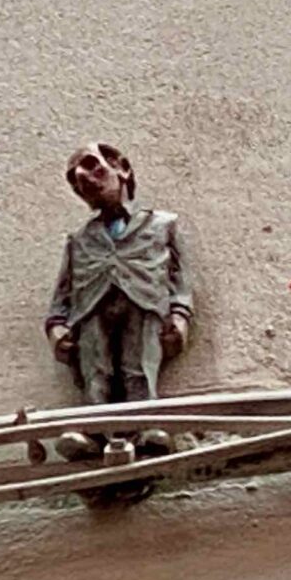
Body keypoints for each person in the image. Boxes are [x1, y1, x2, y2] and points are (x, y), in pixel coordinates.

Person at [45, 143, 194, 461]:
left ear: (122, 169)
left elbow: (180, 276)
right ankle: (94, 431)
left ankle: (146, 427)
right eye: (75, 180)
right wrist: (56, 327)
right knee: (95, 368)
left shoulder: (162, 224)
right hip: (90, 309)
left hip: (144, 302)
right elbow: (63, 291)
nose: (84, 179)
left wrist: (180, 314)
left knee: (138, 365)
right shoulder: (79, 239)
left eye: (92, 166)